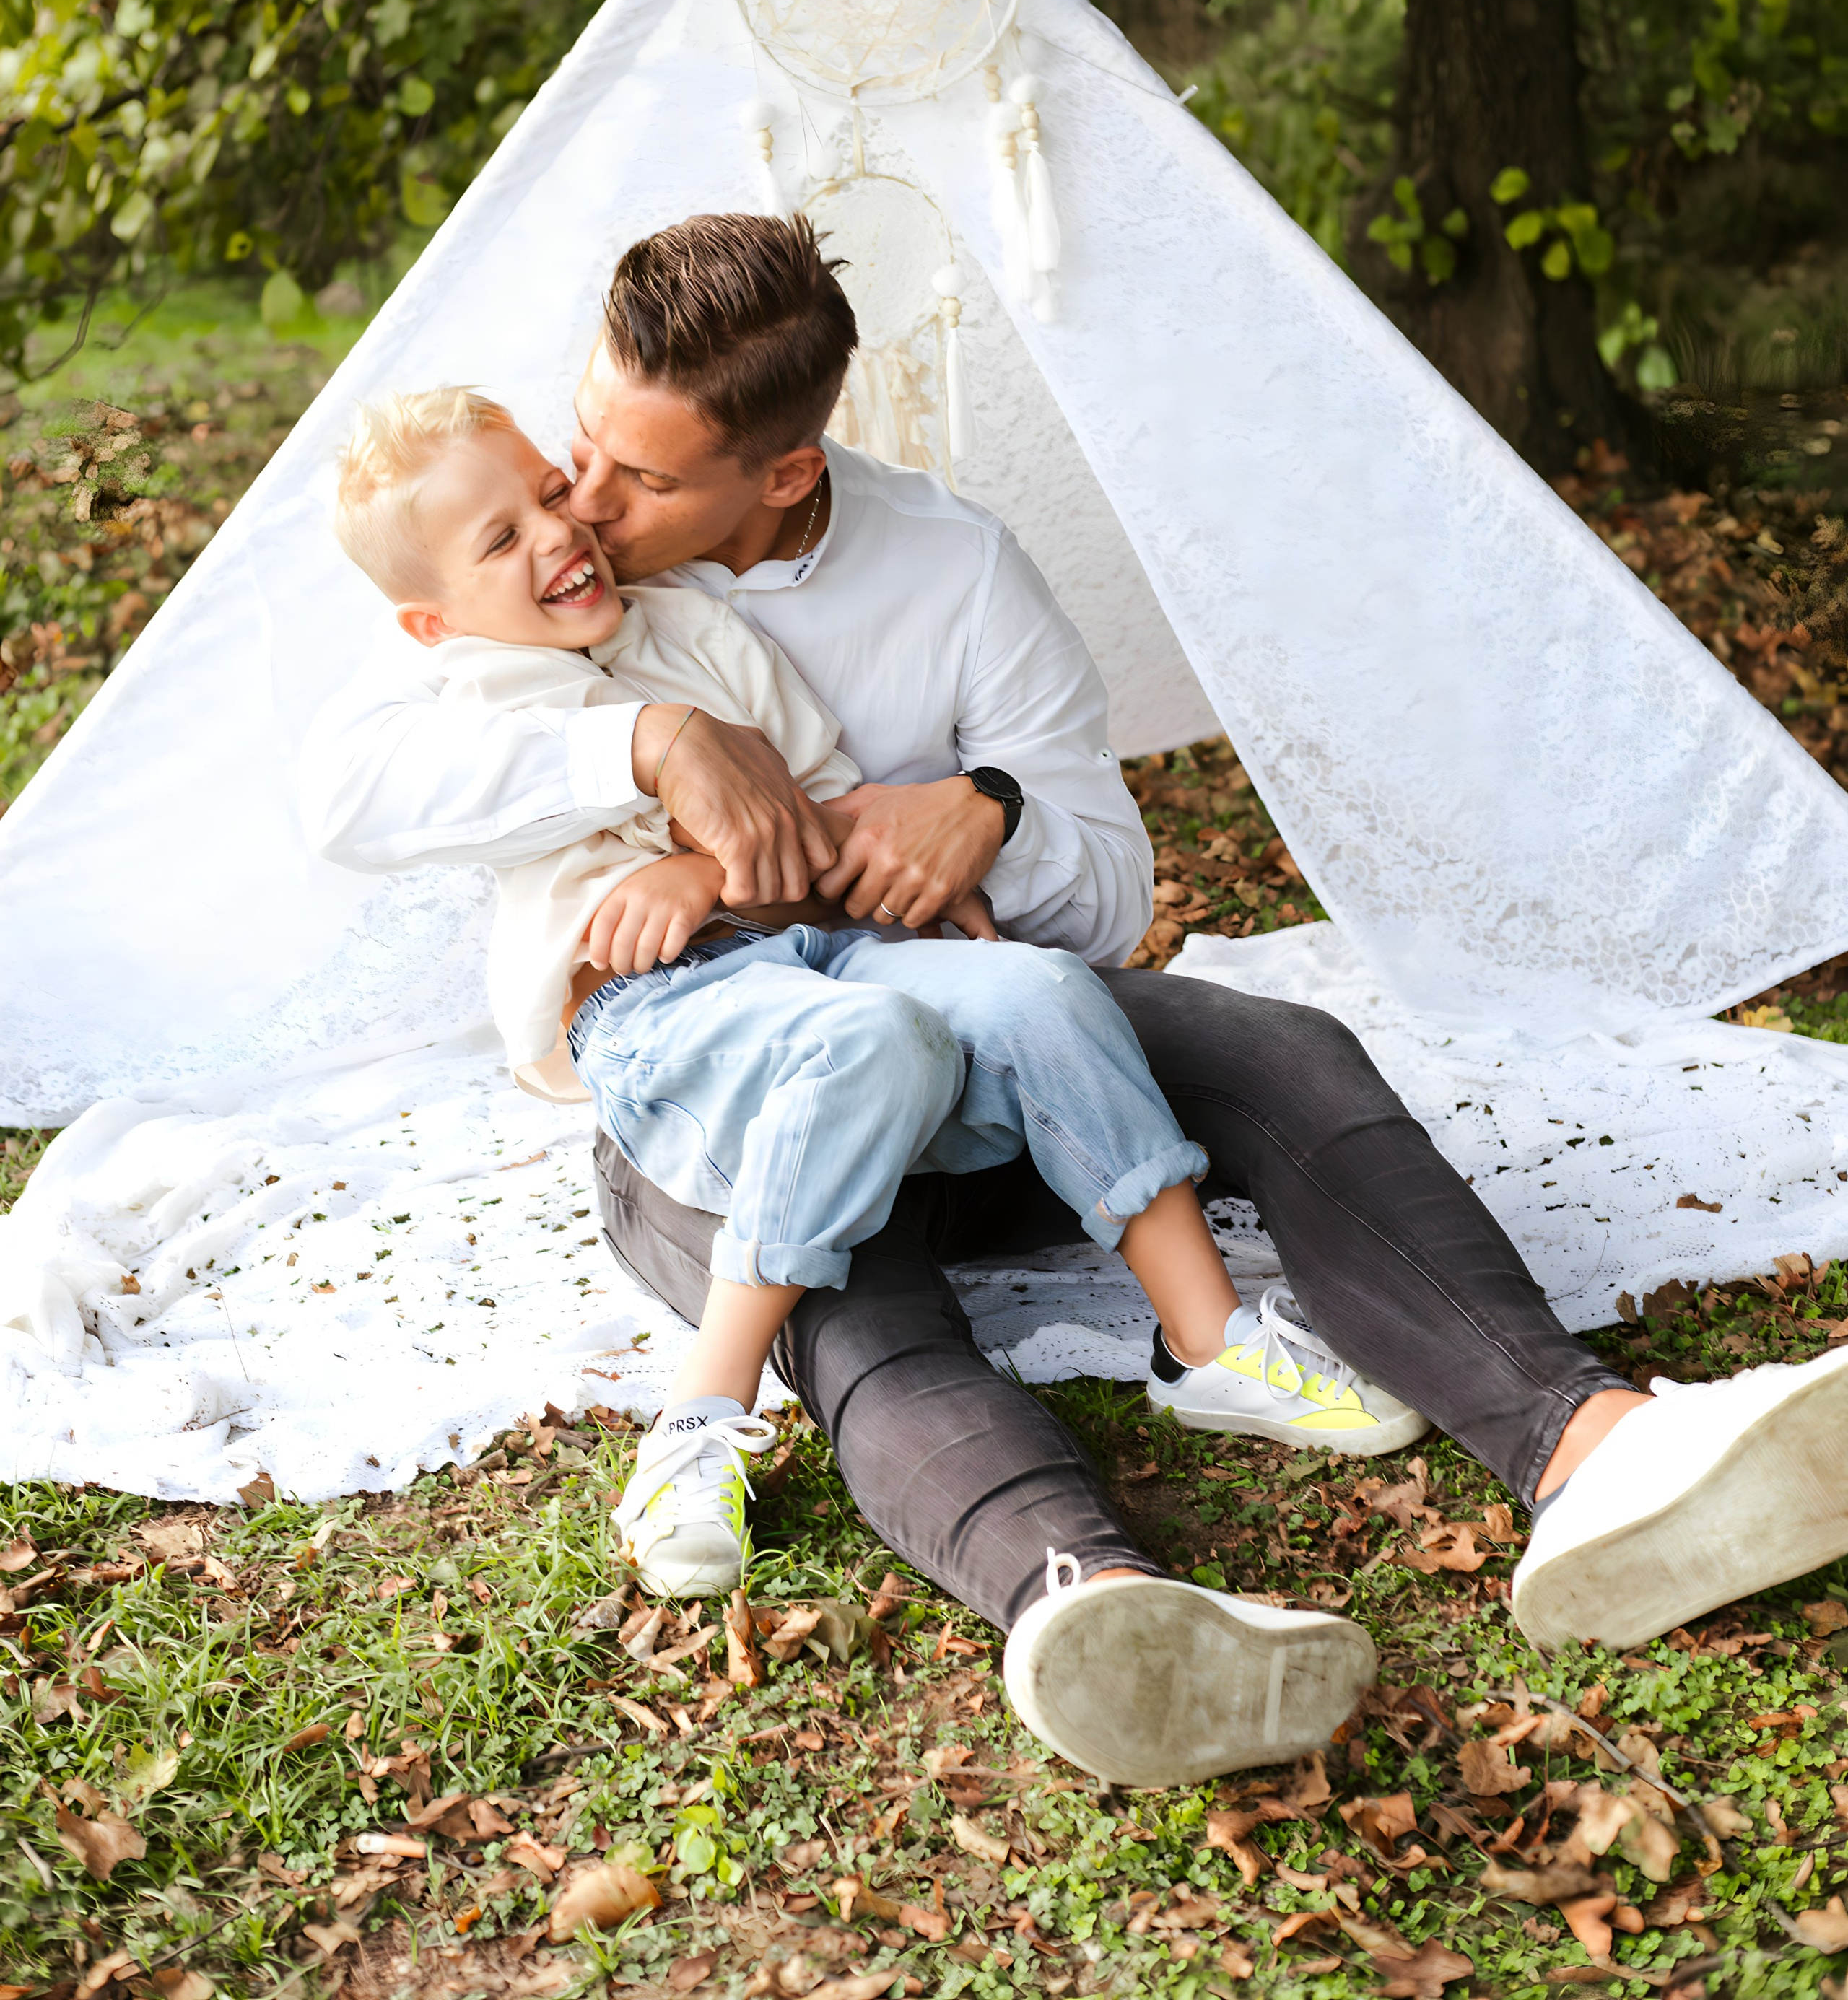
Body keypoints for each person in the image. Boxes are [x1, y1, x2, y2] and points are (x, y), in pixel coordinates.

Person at [304, 214, 1848, 1791]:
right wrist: (653, 755)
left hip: (974, 1034)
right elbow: (345, 793)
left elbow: (1104, 888)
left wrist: (986, 808)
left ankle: (1589, 1446)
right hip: (730, 1080)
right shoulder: (509, 604)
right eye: (580, 450)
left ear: (776, 472)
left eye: (636, 480)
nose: (586, 504)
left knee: (1279, 1051)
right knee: (854, 1282)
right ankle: (1090, 1600)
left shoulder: (949, 565)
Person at [319, 380, 1418, 1651]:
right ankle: (701, 1417)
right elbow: (373, 810)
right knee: (868, 1044)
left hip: (823, 943)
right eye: (499, 541)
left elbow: (823, 803)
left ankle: (1209, 1338)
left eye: (548, 494)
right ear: (431, 616)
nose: (557, 534)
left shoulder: (697, 631)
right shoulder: (458, 702)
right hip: (661, 1005)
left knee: (1035, 990)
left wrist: (725, 870)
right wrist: (660, 806)